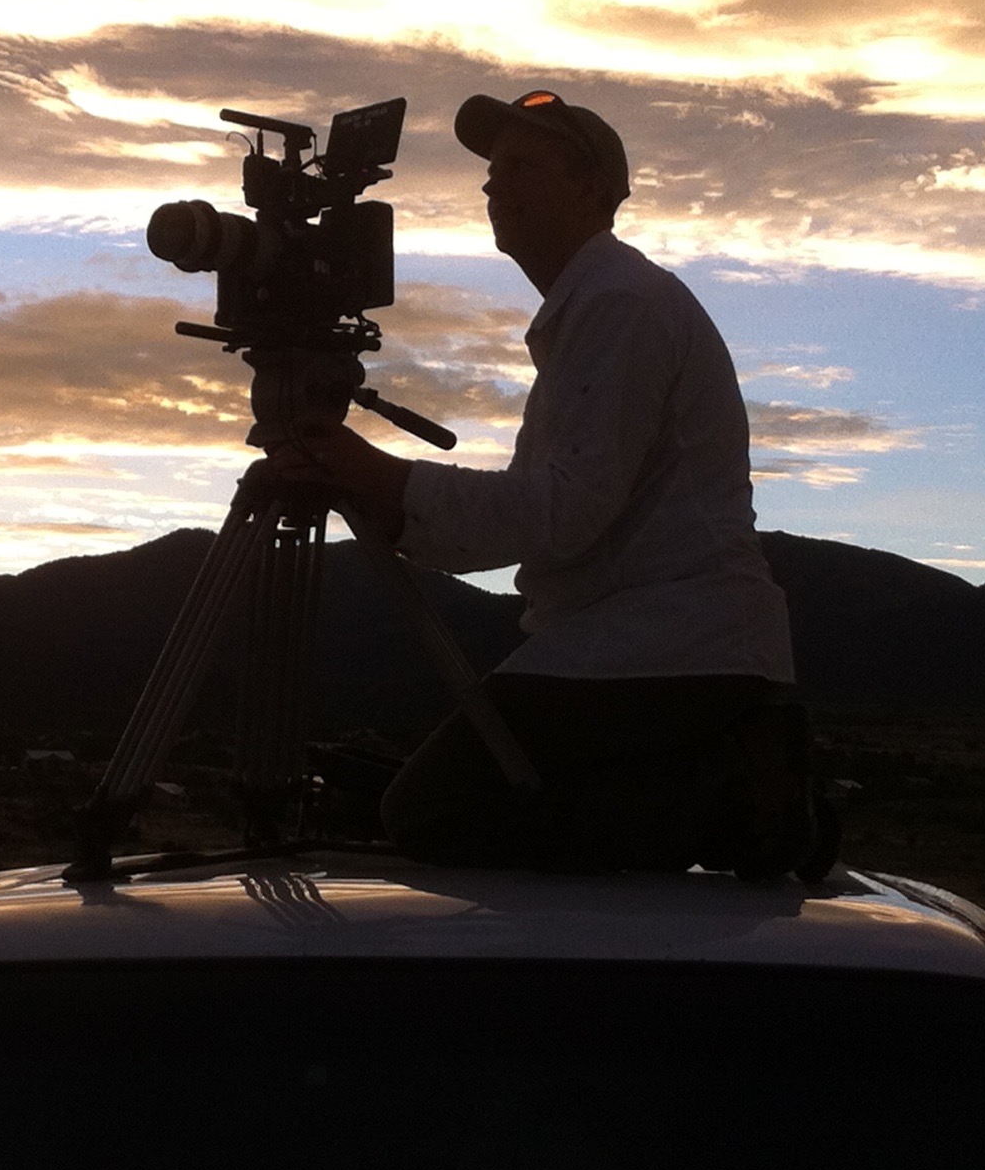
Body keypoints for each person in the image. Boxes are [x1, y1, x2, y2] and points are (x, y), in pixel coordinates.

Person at [270, 89, 813, 874]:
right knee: (421, 800)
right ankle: (712, 795)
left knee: (431, 811)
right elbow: (540, 524)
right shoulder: (596, 309)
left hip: (668, 647)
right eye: (492, 173)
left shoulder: (622, 303)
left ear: (594, 188)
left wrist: (382, 474)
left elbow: (561, 514)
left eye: (522, 166)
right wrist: (375, 489)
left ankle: (738, 796)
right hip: (642, 644)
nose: (494, 187)